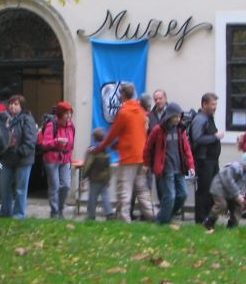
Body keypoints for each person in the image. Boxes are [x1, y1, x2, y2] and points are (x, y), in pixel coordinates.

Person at [92, 82, 155, 223]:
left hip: (128, 158)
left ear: (122, 95)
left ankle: (124, 219)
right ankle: (151, 216)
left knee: (124, 189)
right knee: (142, 189)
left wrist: (100, 147)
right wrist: (119, 145)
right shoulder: (141, 112)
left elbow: (112, 134)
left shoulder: (124, 112)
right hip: (141, 156)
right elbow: (135, 134)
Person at [145, 102, 194, 224]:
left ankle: (164, 217)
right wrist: (147, 164)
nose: (178, 119)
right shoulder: (158, 130)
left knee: (183, 194)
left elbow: (186, 149)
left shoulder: (180, 130)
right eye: (176, 116)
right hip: (166, 169)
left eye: (179, 116)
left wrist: (191, 165)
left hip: (180, 168)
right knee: (170, 196)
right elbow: (148, 148)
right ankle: (163, 222)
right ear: (169, 116)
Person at [0, 94, 37, 219]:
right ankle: (5, 210)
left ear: (21, 106)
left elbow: (31, 140)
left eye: (16, 104)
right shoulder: (6, 119)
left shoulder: (27, 119)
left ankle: (19, 213)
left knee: (20, 188)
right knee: (4, 185)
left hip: (23, 159)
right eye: (11, 104)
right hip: (8, 158)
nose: (12, 106)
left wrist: (19, 151)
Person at [204, 151, 246, 231]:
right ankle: (209, 221)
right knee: (222, 204)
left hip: (232, 191)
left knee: (238, 205)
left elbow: (242, 185)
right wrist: (237, 194)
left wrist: (241, 196)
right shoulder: (233, 168)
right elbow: (228, 181)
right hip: (219, 189)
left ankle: (233, 225)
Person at [190, 92, 223, 224]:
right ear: (204, 104)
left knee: (212, 189)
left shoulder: (209, 118)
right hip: (204, 161)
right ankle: (201, 218)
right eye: (213, 104)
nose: (215, 107)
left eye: (216, 104)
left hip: (212, 161)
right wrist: (215, 137)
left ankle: (209, 218)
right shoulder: (200, 119)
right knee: (204, 190)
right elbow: (197, 138)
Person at [39, 102, 75, 219]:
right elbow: (44, 144)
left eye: (70, 113)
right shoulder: (51, 125)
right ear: (60, 114)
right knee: (54, 185)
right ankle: (54, 212)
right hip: (52, 158)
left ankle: (60, 208)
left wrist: (70, 157)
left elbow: (71, 145)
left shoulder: (71, 126)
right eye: (66, 113)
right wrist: (57, 141)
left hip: (65, 159)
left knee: (66, 185)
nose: (69, 116)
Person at [82, 127, 113, 220]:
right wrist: (109, 179)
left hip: (94, 178)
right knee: (105, 196)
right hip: (104, 178)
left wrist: (83, 176)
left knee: (92, 197)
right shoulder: (106, 150)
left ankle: (91, 215)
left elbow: (88, 164)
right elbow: (109, 167)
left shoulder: (92, 151)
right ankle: (109, 213)